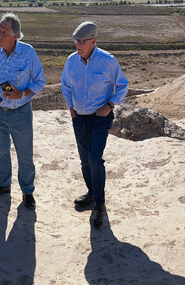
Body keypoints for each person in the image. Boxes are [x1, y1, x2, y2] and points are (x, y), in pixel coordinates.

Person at [61, 22, 128, 228]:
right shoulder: (72, 61)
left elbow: (122, 86)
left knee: (94, 160)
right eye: (76, 41)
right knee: (84, 161)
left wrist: (109, 105)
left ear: (93, 41)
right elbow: (65, 85)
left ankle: (100, 204)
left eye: (82, 41)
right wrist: (71, 108)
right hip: (79, 118)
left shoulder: (107, 61)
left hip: (100, 119)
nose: (78, 45)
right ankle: (91, 193)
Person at [0, 13, 45, 210]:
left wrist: (22, 93)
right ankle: (4, 185)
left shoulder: (28, 53)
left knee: (24, 155)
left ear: (15, 35)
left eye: (4, 32)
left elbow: (40, 81)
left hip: (20, 113)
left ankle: (27, 192)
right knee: (0, 151)